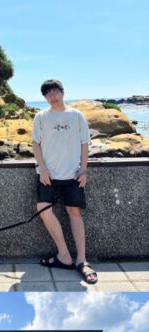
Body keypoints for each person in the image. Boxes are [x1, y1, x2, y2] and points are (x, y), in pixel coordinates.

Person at [31, 79, 97, 284]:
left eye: (54, 92)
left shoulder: (76, 115)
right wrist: (42, 168)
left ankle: (82, 260)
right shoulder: (41, 117)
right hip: (48, 174)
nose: (52, 97)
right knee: (43, 209)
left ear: (62, 92)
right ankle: (64, 255)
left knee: (74, 213)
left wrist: (84, 169)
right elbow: (36, 143)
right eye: (47, 94)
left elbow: (85, 143)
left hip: (73, 174)